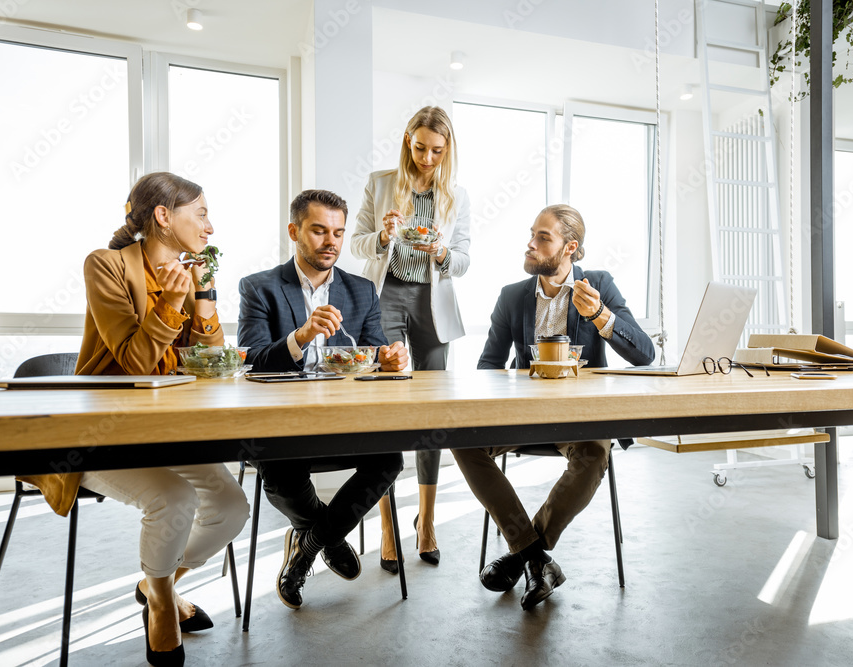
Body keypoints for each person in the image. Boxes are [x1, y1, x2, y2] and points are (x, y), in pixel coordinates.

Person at [23, 172, 250, 666]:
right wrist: (170, 304)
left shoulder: (188, 272)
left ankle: (154, 582)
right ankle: (163, 605)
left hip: (169, 430)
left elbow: (211, 363)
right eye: (202, 213)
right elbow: (133, 364)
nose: (210, 226)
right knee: (173, 497)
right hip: (103, 434)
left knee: (232, 505)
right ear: (164, 216)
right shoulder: (105, 265)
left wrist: (203, 293)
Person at [452, 204, 655, 610]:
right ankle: (535, 558)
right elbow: (488, 366)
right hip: (522, 417)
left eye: (543, 237)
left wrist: (599, 314)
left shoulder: (598, 284)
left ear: (570, 248)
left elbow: (644, 353)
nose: (530, 243)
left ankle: (522, 555)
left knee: (596, 451)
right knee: (462, 441)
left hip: (581, 418)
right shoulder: (512, 296)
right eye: (532, 234)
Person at [238, 189, 409, 609]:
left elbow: (370, 354)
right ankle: (323, 538)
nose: (330, 241)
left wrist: (388, 358)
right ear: (295, 231)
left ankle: (307, 545)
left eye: (337, 232)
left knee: (389, 459)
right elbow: (252, 361)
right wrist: (301, 335)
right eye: (318, 230)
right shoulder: (259, 288)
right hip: (282, 425)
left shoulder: (362, 290)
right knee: (280, 469)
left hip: (344, 422)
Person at [350, 106, 471, 571]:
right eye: (420, 147)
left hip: (432, 305)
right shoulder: (381, 183)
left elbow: (463, 259)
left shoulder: (455, 195)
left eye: (437, 151)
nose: (427, 157)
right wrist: (381, 237)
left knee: (431, 414)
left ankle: (426, 523)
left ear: (447, 150)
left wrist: (441, 251)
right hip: (387, 298)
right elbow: (356, 242)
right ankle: (386, 525)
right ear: (407, 140)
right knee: (388, 410)